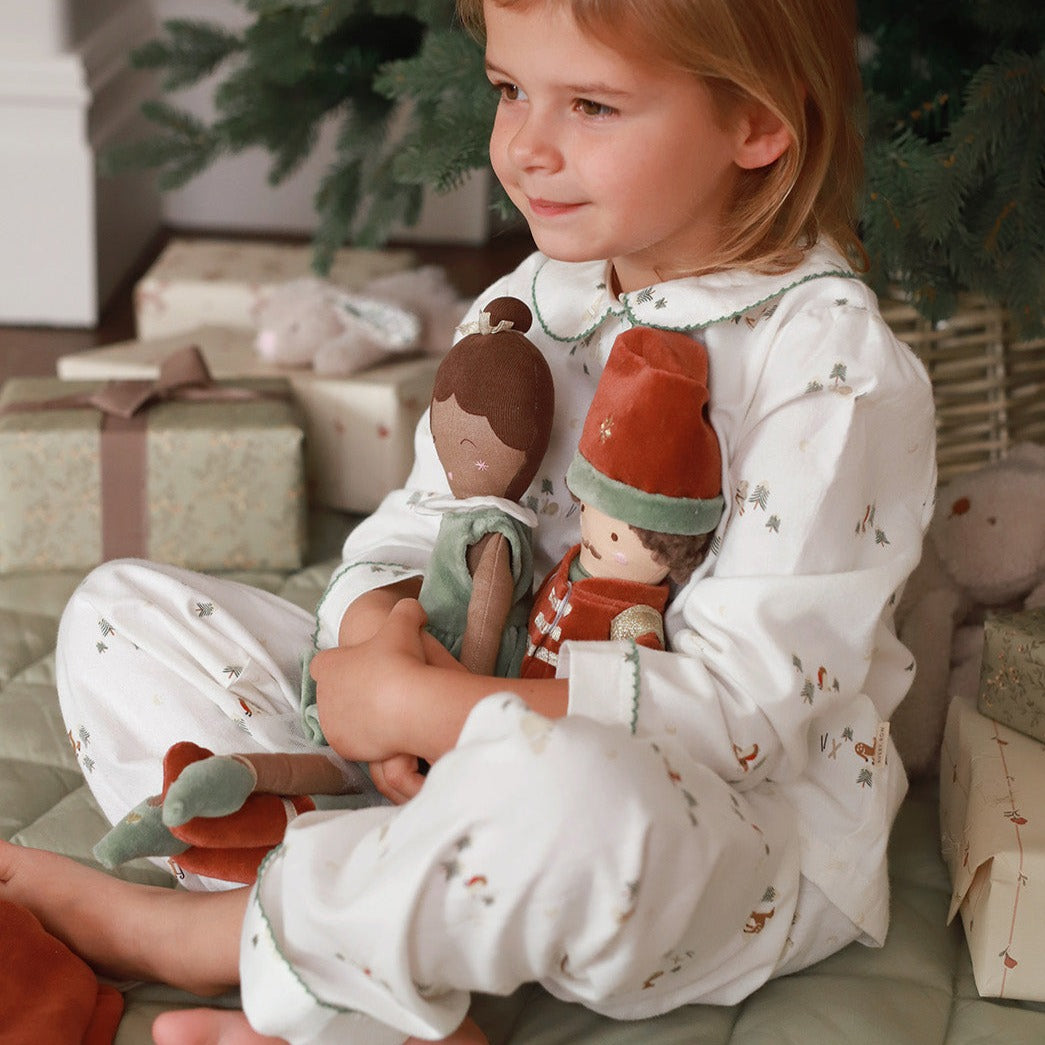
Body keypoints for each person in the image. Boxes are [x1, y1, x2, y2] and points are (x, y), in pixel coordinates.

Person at [0, 1, 937, 1044]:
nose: (525, 147)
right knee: (118, 611)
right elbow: (419, 524)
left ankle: (205, 937)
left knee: (574, 793)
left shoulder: (832, 373)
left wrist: (428, 706)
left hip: (708, 838)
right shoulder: (532, 299)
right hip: (439, 738)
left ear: (757, 125)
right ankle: (377, 950)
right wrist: (376, 639)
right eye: (508, 91)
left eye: (589, 104)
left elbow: (739, 718)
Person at [521, 324, 724, 678]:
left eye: (616, 536)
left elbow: (633, 686)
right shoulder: (571, 564)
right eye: (585, 509)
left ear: (669, 548)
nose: (593, 538)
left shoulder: (633, 619)